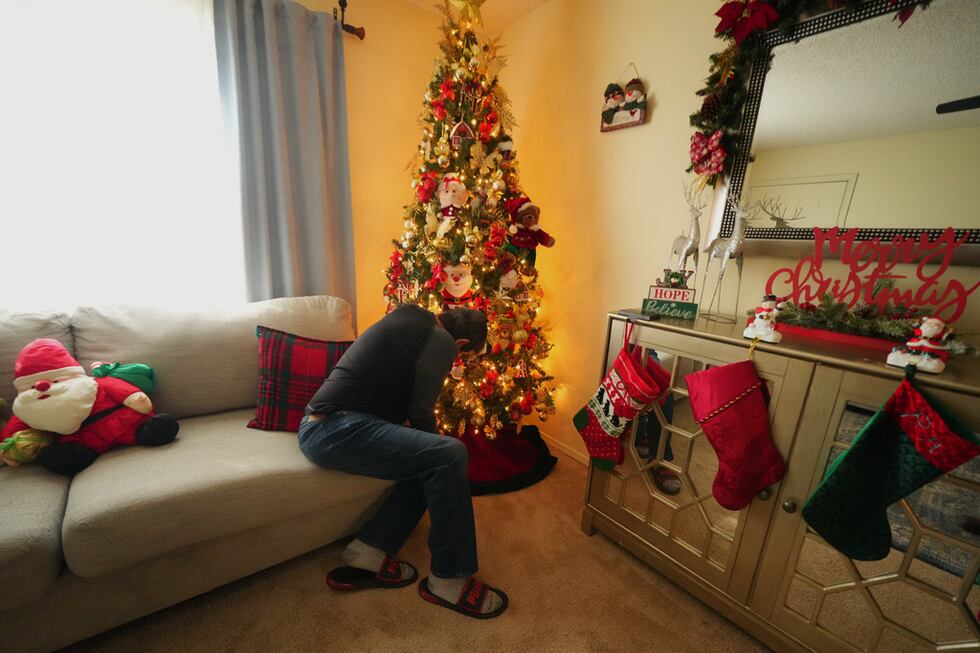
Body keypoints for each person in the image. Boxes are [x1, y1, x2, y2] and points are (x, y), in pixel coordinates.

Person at [298, 304, 507, 619]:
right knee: (448, 454)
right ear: (460, 344)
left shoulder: (413, 316)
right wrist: (436, 449)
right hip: (334, 429)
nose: (456, 359)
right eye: (462, 356)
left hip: (329, 426)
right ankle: (449, 578)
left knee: (429, 461)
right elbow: (421, 411)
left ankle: (370, 549)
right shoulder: (441, 340)